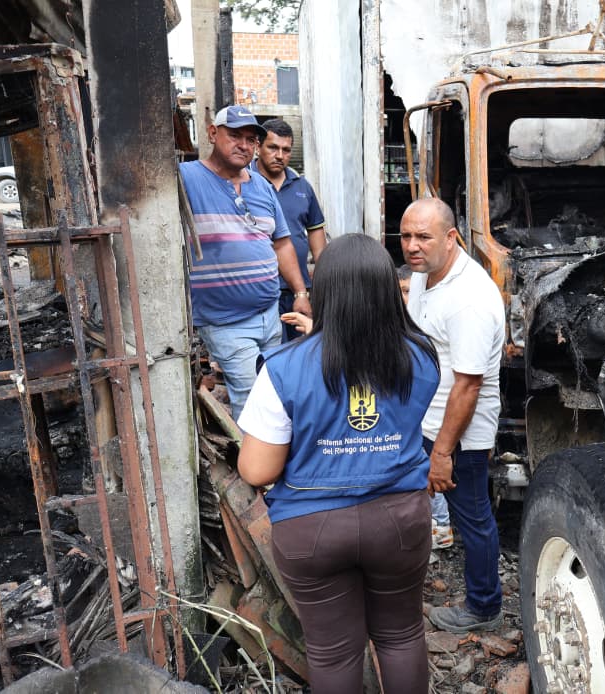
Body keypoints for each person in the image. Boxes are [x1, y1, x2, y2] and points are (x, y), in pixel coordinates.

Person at [236, 233, 439, 692]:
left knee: (334, 652)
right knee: (402, 635)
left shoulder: (284, 368)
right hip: (400, 521)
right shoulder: (421, 356)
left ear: (323, 292)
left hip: (312, 529)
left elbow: (256, 471)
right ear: (389, 289)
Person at [400, 198, 505, 633]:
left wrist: (442, 452)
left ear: (451, 237)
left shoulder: (470, 300)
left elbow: (468, 385)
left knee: (473, 517)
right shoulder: (428, 273)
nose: (411, 246)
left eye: (422, 236)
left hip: (457, 432)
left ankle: (484, 607)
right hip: (425, 420)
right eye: (405, 236)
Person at [181, 105, 310, 421]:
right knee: (252, 399)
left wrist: (301, 292)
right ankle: (253, 469)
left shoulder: (261, 186)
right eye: (235, 135)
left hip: (269, 314)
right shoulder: (186, 179)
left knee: (272, 389)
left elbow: (281, 243)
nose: (244, 145)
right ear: (213, 133)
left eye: (251, 139)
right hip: (226, 320)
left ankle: (266, 461)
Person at [252, 118, 327, 342]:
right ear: (258, 147)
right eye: (273, 148)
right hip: (261, 289)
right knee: (270, 354)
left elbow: (316, 235)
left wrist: (321, 285)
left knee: (301, 351)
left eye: (286, 150)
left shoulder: (302, 187)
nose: (279, 155)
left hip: (299, 291)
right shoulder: (245, 183)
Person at [398, 263, 454, 551]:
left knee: (426, 465)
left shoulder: (426, 323)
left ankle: (441, 525)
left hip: (433, 409)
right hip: (417, 410)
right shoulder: (404, 325)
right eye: (400, 293)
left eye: (408, 291)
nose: (404, 299)